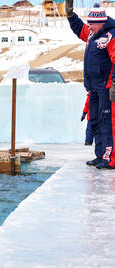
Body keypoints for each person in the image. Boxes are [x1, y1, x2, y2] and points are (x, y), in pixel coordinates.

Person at [66, 1, 115, 169]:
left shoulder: (111, 35)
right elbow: (79, 28)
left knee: (107, 122)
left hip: (106, 88)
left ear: (101, 22)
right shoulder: (92, 34)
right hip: (93, 88)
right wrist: (70, 14)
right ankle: (100, 155)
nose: (89, 26)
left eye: (92, 24)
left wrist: (114, 83)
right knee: (94, 121)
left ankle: (110, 158)